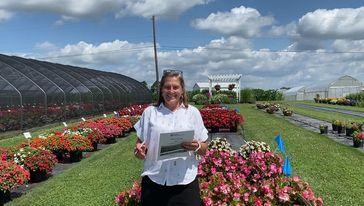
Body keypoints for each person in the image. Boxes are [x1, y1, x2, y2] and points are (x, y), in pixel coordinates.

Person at [134, 69, 208, 206]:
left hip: (185, 182)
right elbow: (139, 147)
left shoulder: (193, 113)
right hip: (154, 180)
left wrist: (197, 146)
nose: (171, 91)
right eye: (167, 87)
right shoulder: (150, 113)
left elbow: (204, 149)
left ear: (182, 90)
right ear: (161, 90)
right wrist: (139, 151)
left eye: (175, 87)